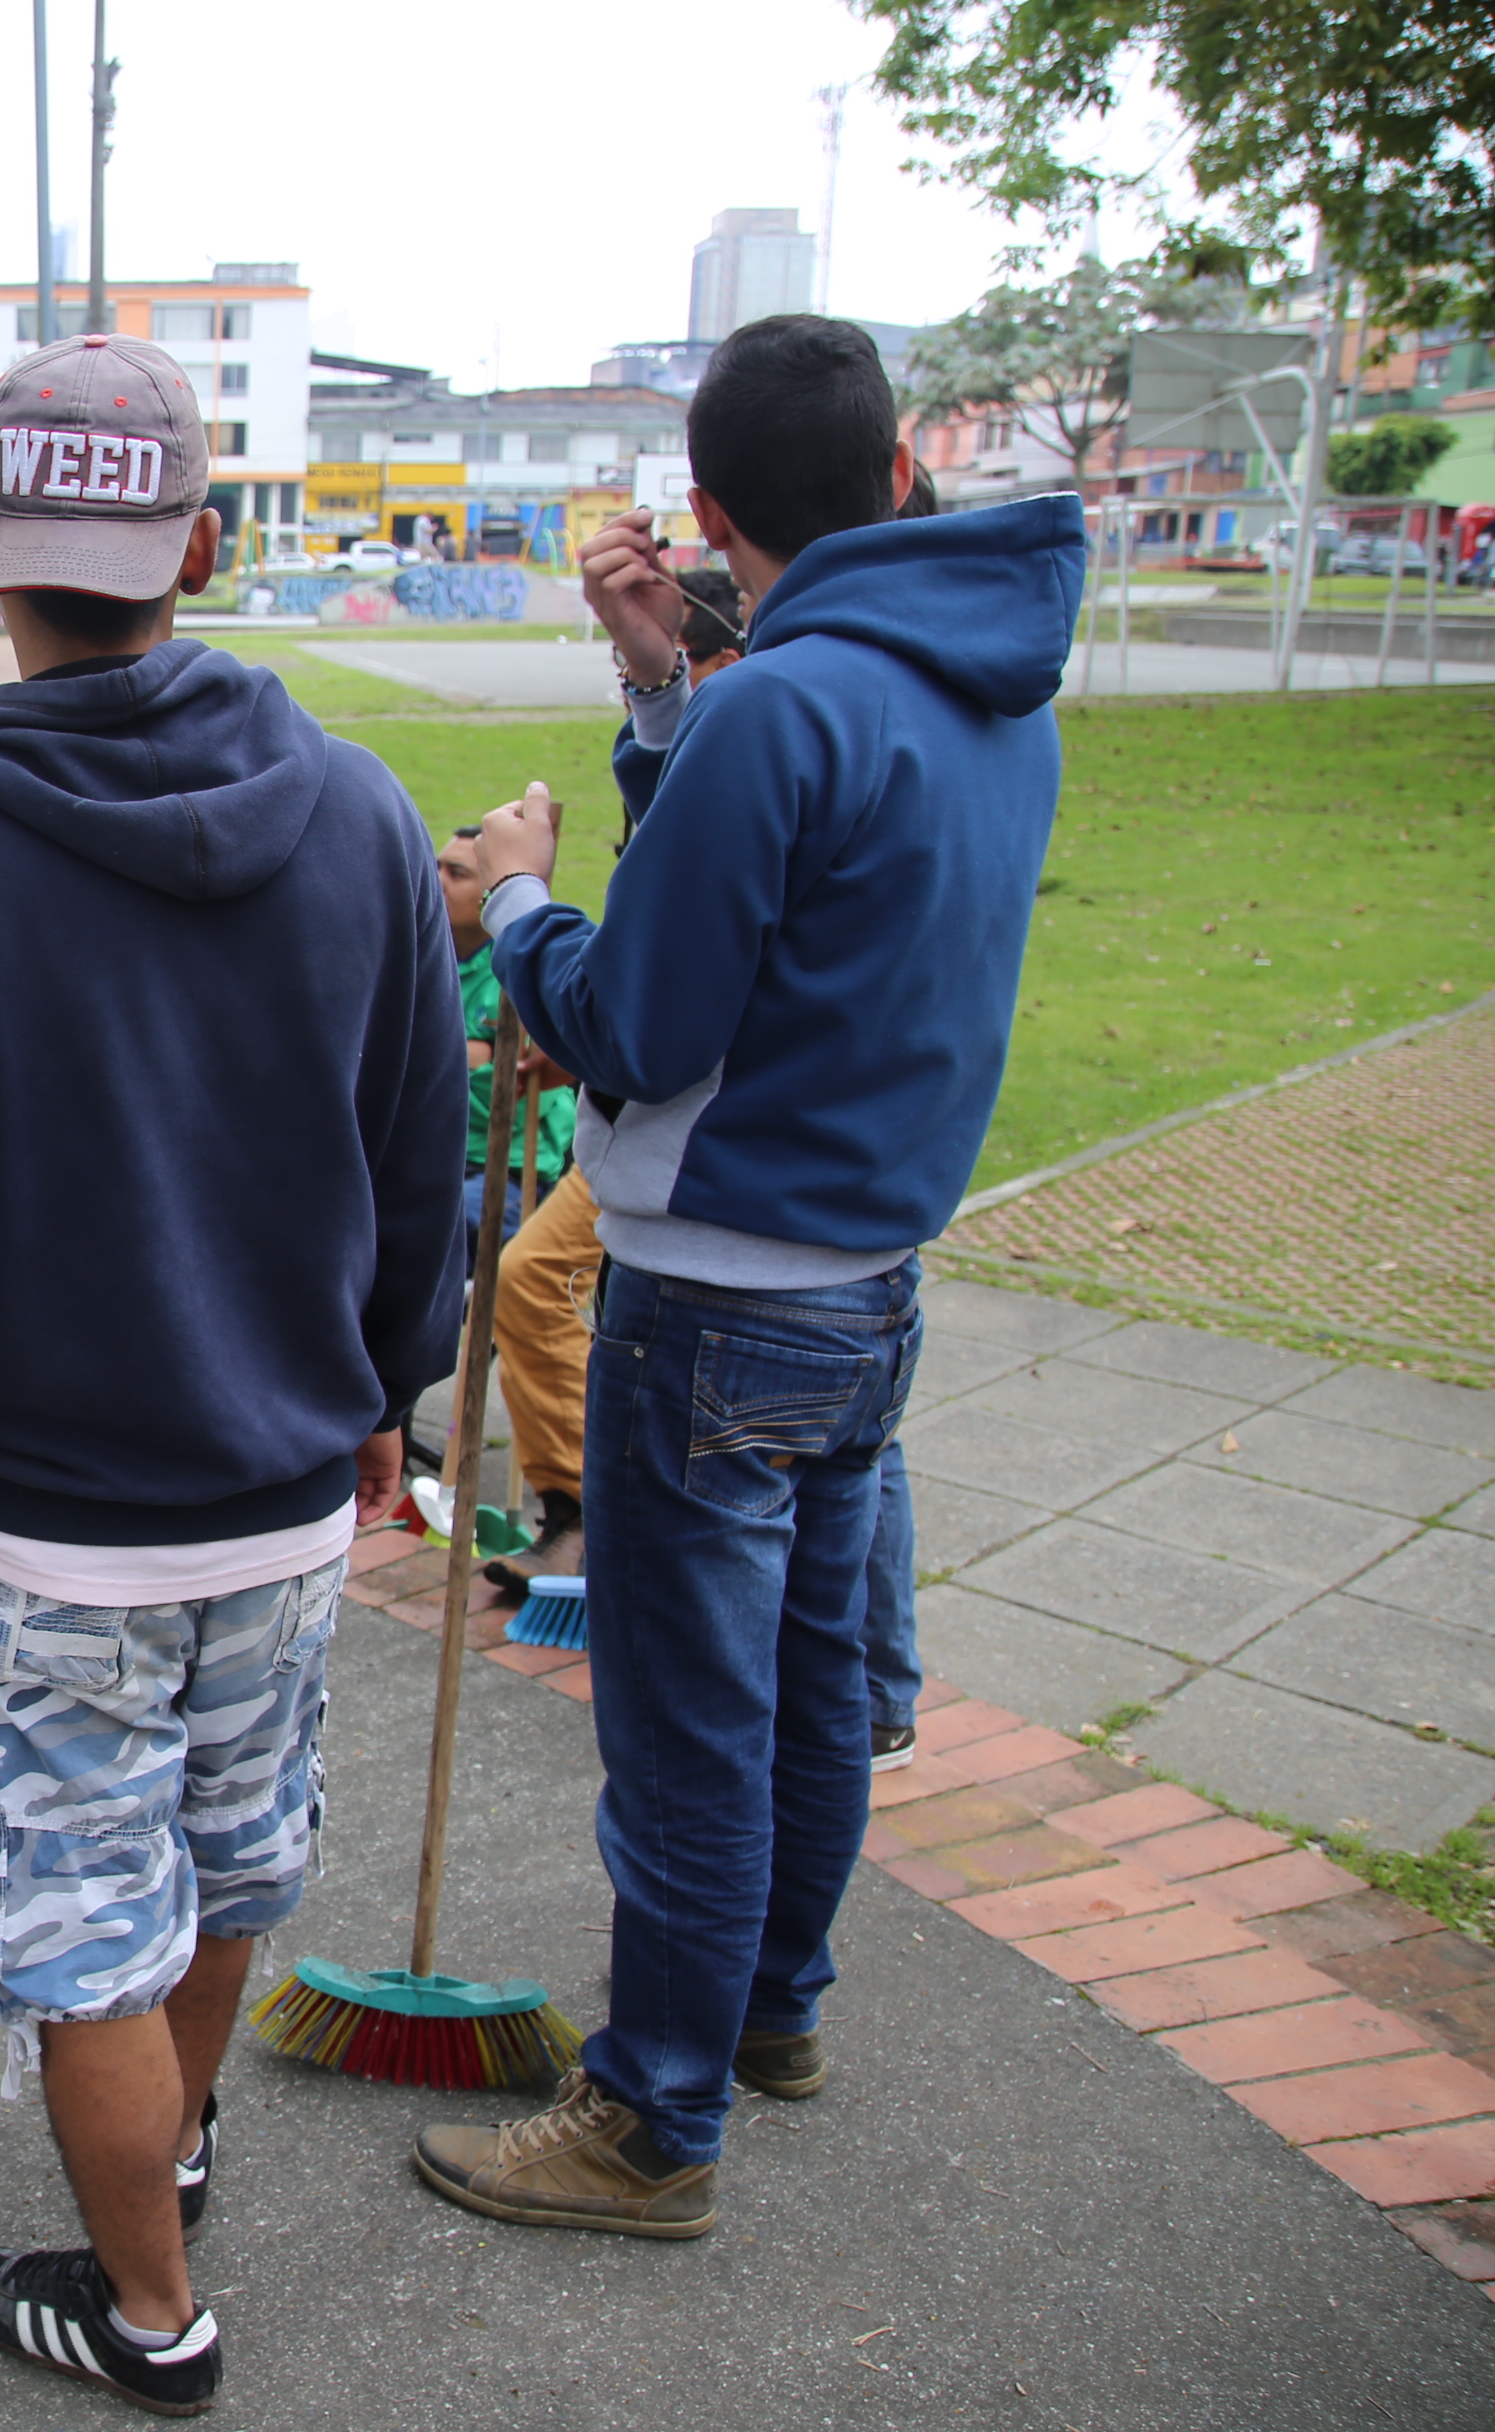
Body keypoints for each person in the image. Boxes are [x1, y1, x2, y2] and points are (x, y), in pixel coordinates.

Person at [0, 335, 467, 2416]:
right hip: (286, 1482)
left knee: (81, 1920)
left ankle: (153, 2313)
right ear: (207, 549)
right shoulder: (356, 812)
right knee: (229, 1853)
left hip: (58, 1512)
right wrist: (377, 1398)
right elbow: (424, 1165)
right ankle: (182, 2128)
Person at [419, 316, 1078, 2238]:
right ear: (892, 475)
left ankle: (650, 2119)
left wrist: (524, 898)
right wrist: (665, 694)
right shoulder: (978, 679)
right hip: (864, 1277)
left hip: (715, 1297)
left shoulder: (785, 707)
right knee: (805, 1688)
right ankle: (766, 2013)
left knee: (690, 1724)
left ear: (704, 510)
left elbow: (636, 1018)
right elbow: (793, 894)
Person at [483, 571, 747, 1599]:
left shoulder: (748, 749)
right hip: (690, 1134)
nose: (643, 678)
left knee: (532, 1277)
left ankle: (588, 1517)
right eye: (631, 661)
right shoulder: (725, 745)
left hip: (696, 1152)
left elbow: (656, 1001)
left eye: (666, 657)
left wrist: (518, 895)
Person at [432, 823, 576, 1248]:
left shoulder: (529, 971)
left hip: (505, 1174)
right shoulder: (416, 960)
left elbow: (513, 1100)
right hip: (424, 1163)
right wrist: (472, 1057)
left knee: (435, 1227)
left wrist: (437, 1066)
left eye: (457, 874)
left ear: (491, 892)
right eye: (436, 867)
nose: (436, 881)